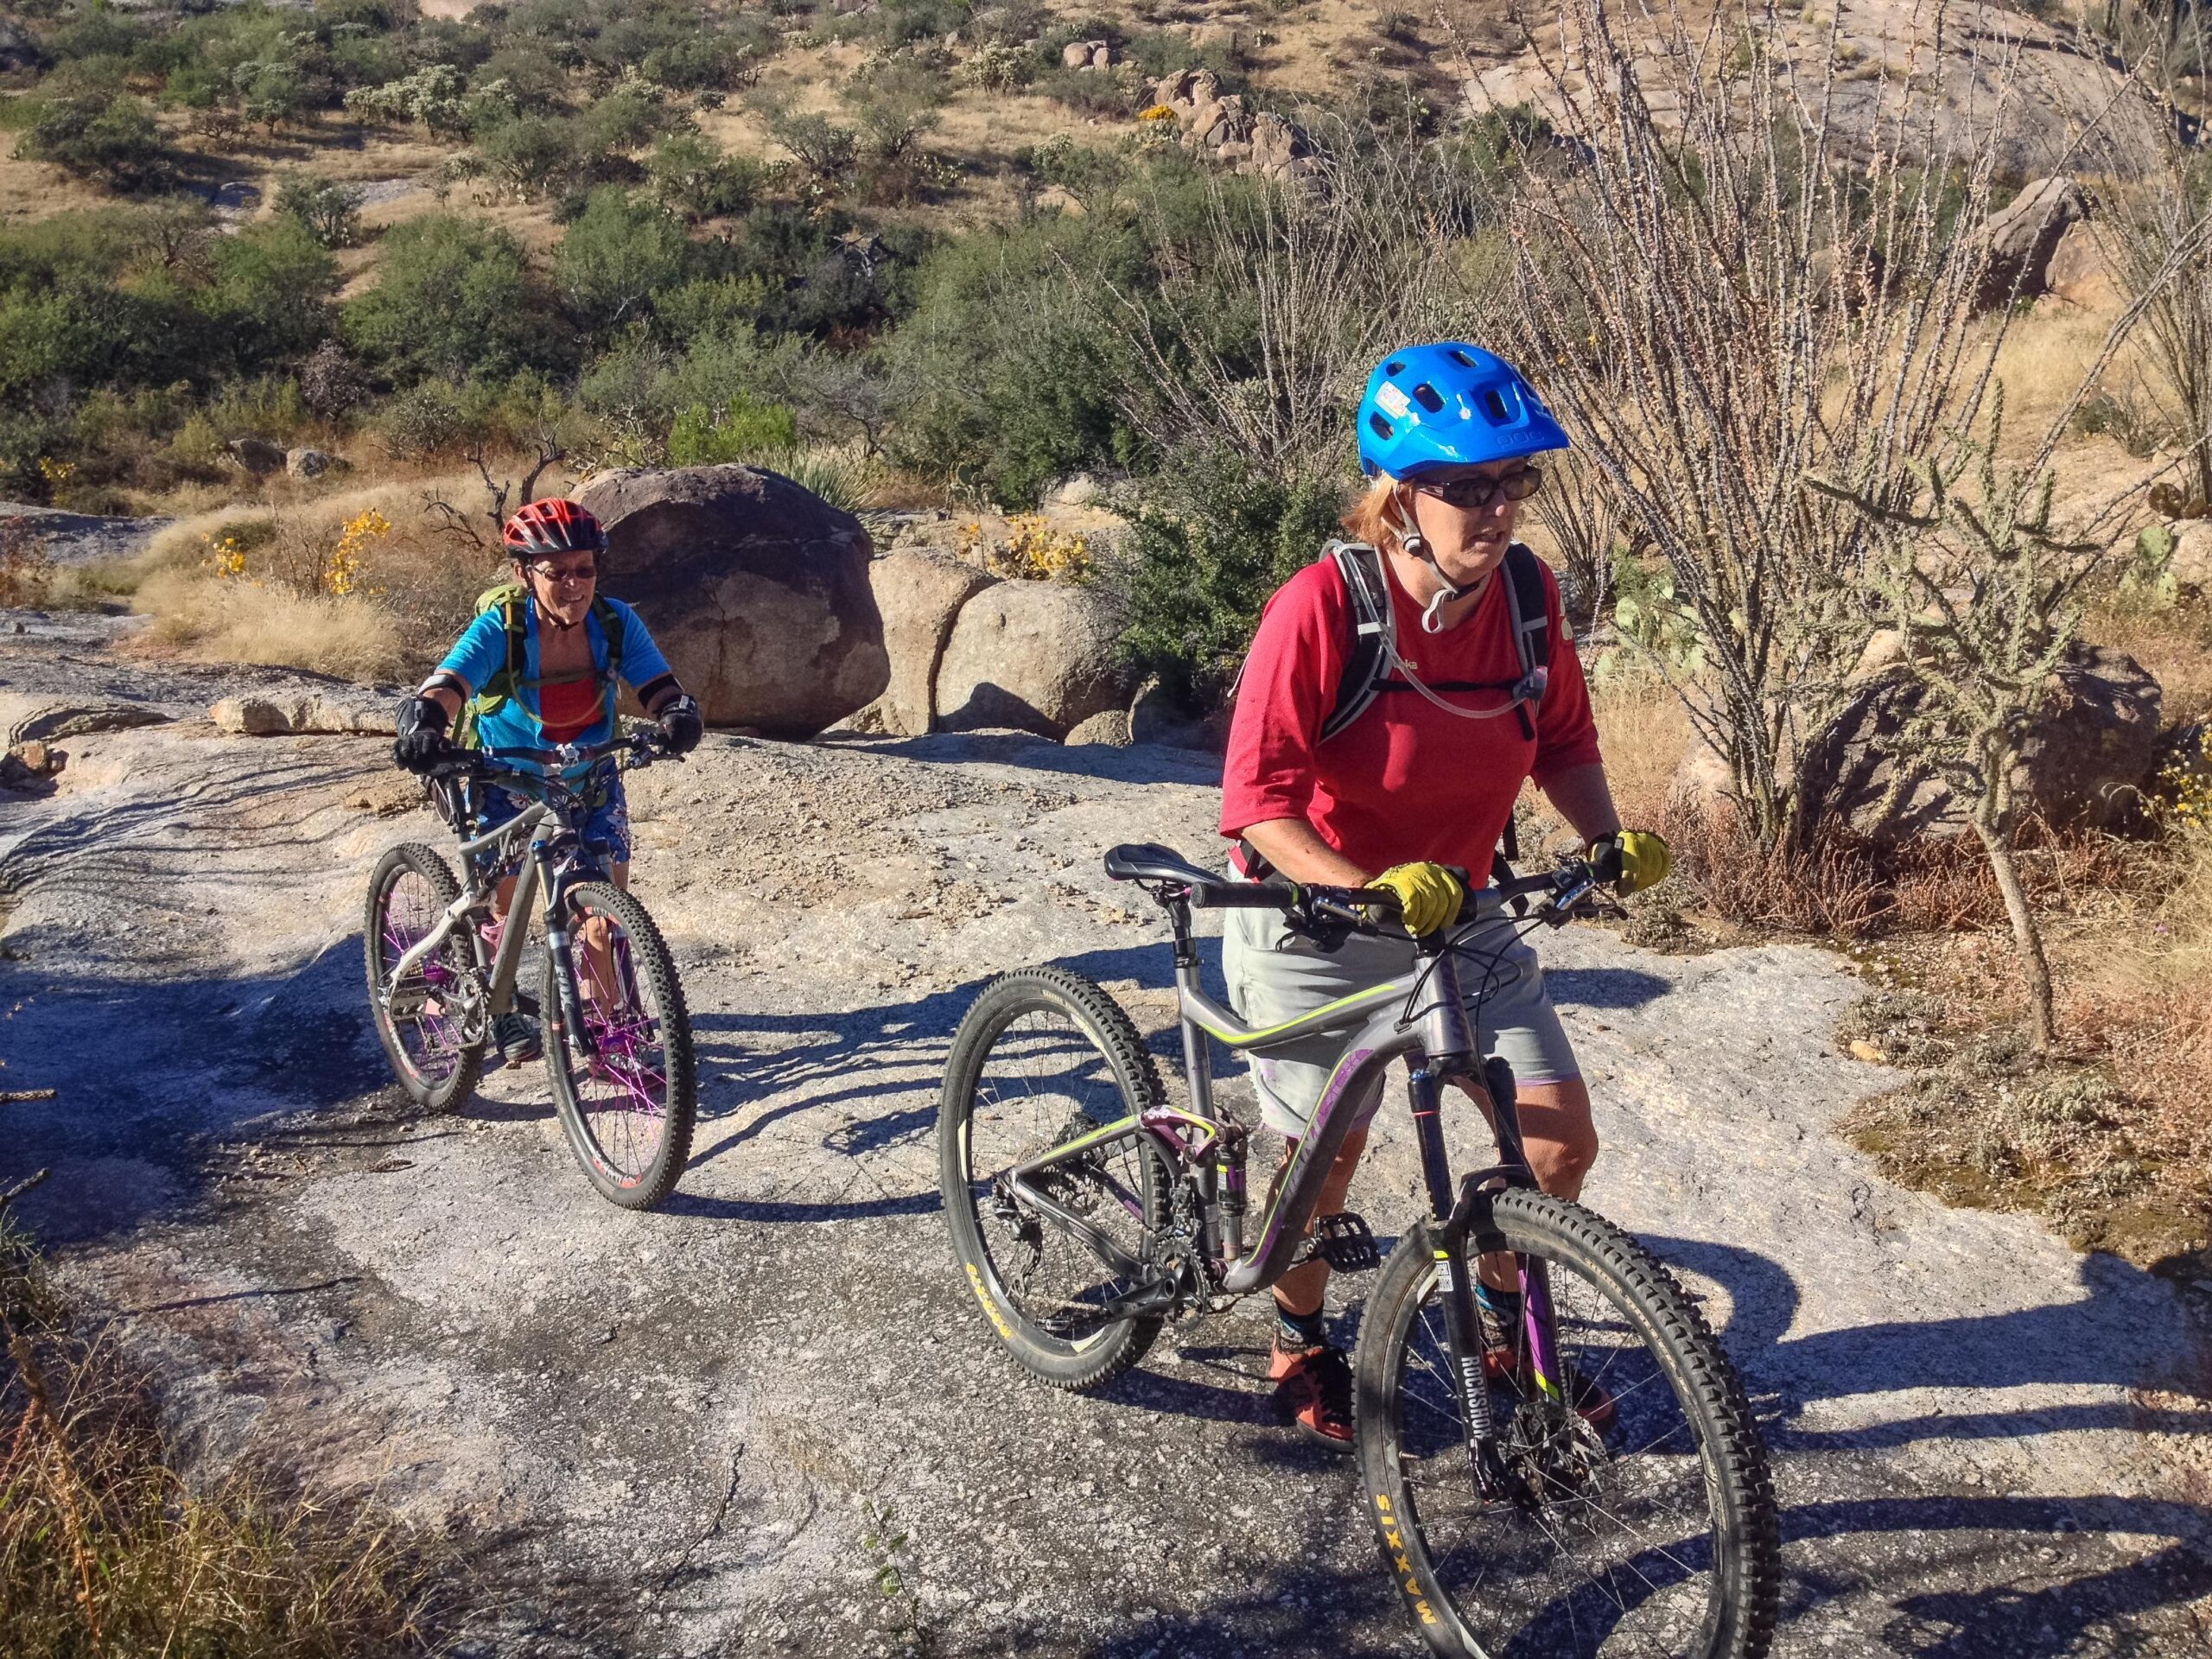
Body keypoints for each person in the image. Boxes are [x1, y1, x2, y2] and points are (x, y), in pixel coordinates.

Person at [1218, 343, 1670, 1448]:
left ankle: (1506, 1329)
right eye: (1467, 485)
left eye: (1515, 481)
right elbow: (1257, 805)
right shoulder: (1322, 607)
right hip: (1314, 922)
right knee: (1329, 1158)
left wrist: (1605, 839)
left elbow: (1558, 736)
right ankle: (1299, 1342)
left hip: (1457, 912)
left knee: (1556, 1143)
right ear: (1397, 497)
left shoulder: (1523, 596)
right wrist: (1363, 885)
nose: (1499, 507)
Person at [391, 498, 702, 1065]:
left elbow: (657, 683)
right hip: (506, 779)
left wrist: (676, 714)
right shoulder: (503, 628)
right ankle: (502, 1008)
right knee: (503, 915)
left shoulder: (614, 622)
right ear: (523, 573)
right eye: (556, 572)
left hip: (591, 778)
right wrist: (425, 724)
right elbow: (450, 683)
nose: (574, 584)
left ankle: (615, 1038)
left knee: (606, 918)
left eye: (585, 569)